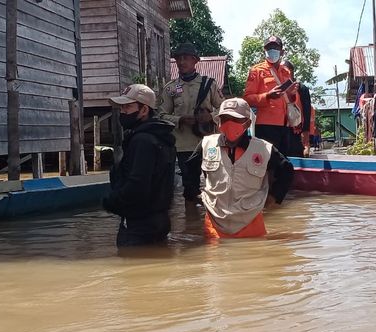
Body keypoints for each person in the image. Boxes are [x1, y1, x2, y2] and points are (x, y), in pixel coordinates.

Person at [186, 98, 294, 239]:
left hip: (251, 222)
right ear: (219, 122)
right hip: (214, 223)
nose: (229, 123)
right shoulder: (207, 144)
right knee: (213, 259)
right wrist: (194, 195)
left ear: (247, 123)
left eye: (235, 119)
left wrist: (274, 197)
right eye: (225, 119)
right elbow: (190, 169)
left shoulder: (263, 148)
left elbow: (286, 170)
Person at [103, 85, 177, 247]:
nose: (123, 112)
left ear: (144, 110)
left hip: (139, 224)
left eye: (128, 107)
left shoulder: (142, 141)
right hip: (160, 220)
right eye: (121, 107)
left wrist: (110, 202)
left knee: (130, 265)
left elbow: (137, 185)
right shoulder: (163, 138)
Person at [158, 43, 225, 204]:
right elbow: (160, 115)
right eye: (179, 58)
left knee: (215, 184)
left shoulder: (210, 84)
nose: (182, 62)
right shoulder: (170, 88)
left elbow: (224, 108)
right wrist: (180, 119)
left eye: (186, 58)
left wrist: (212, 117)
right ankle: (191, 222)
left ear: (195, 61)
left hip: (209, 143)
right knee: (189, 189)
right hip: (183, 145)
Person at [243, 35, 300, 157]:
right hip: (265, 126)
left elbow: (289, 99)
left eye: (275, 48)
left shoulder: (286, 71)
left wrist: (291, 94)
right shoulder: (256, 71)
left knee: (283, 165)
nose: (272, 51)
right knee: (266, 165)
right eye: (269, 48)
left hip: (285, 126)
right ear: (264, 51)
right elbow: (247, 98)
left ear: (282, 52)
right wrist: (267, 96)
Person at [281, 60, 311, 157]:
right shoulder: (278, 88)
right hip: (280, 128)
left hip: (296, 129)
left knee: (296, 156)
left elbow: (307, 110)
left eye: (285, 70)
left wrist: (305, 131)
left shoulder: (301, 88)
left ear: (291, 71)